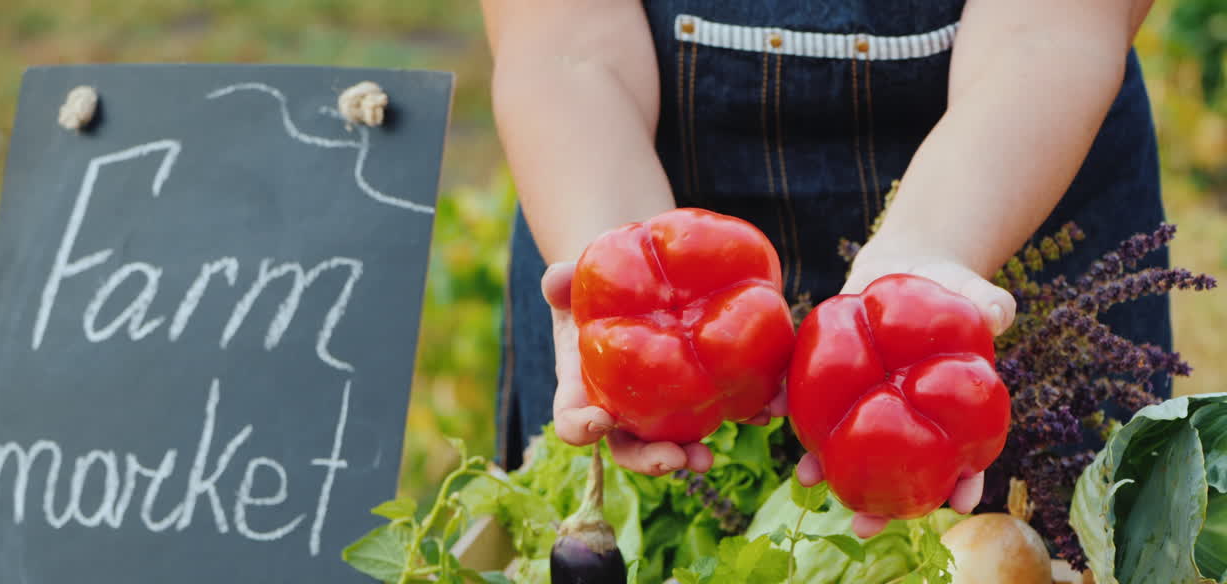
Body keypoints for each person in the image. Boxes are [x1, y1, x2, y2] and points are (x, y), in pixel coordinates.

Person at [483, 0, 1167, 537]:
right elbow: (565, 49)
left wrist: (931, 250)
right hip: (613, 163)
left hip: (1015, 170)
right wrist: (619, 254)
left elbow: (1049, 28)